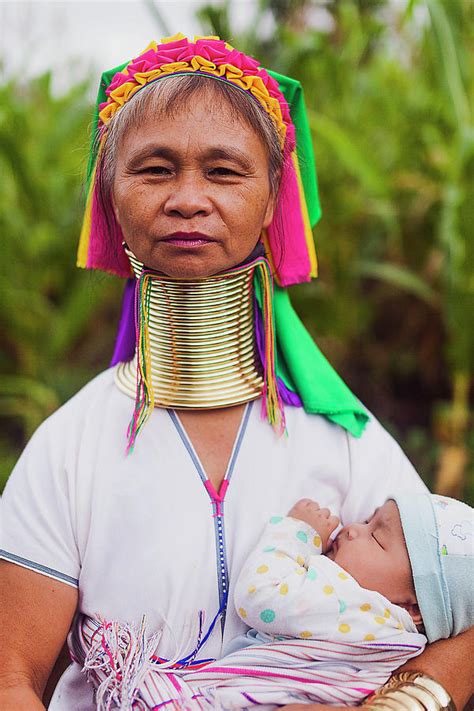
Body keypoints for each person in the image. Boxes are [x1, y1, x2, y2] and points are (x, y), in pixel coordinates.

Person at [0, 34, 472, 711]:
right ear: (109, 195)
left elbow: (460, 609)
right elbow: (10, 674)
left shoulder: (345, 439)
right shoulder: (69, 449)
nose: (188, 199)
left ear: (273, 197)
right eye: (155, 169)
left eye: (224, 171)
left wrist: (399, 704)